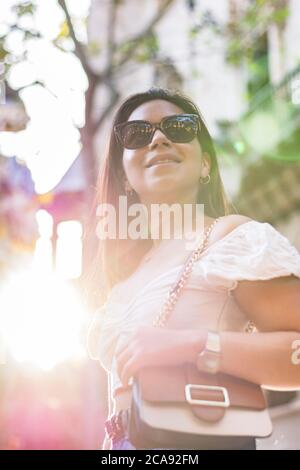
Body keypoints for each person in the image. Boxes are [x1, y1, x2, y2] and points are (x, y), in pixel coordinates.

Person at [87, 87, 300, 451]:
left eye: (180, 127)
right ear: (123, 174)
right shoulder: (125, 276)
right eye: (138, 135)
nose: (158, 138)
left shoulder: (232, 239)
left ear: (205, 164)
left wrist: (192, 345)